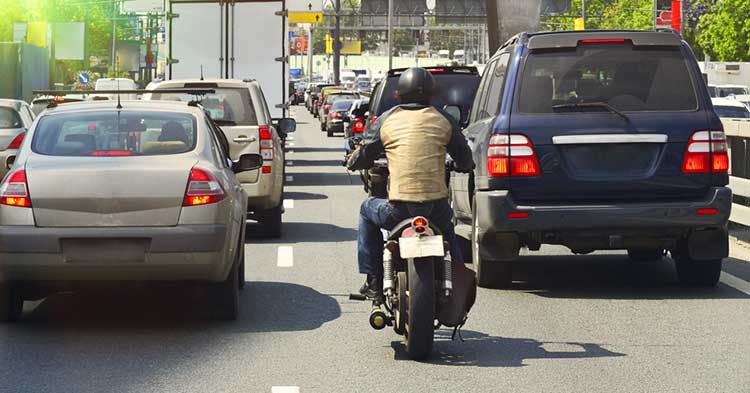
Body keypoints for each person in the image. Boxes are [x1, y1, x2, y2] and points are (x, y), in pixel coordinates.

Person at [346, 67, 475, 302]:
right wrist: (464, 165)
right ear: (431, 94)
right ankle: (458, 282)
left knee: (367, 210)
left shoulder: (387, 120)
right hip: (436, 209)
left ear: (399, 94)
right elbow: (465, 158)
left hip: (398, 210)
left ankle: (373, 281)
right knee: (448, 233)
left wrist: (352, 161)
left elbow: (364, 153)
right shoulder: (444, 119)